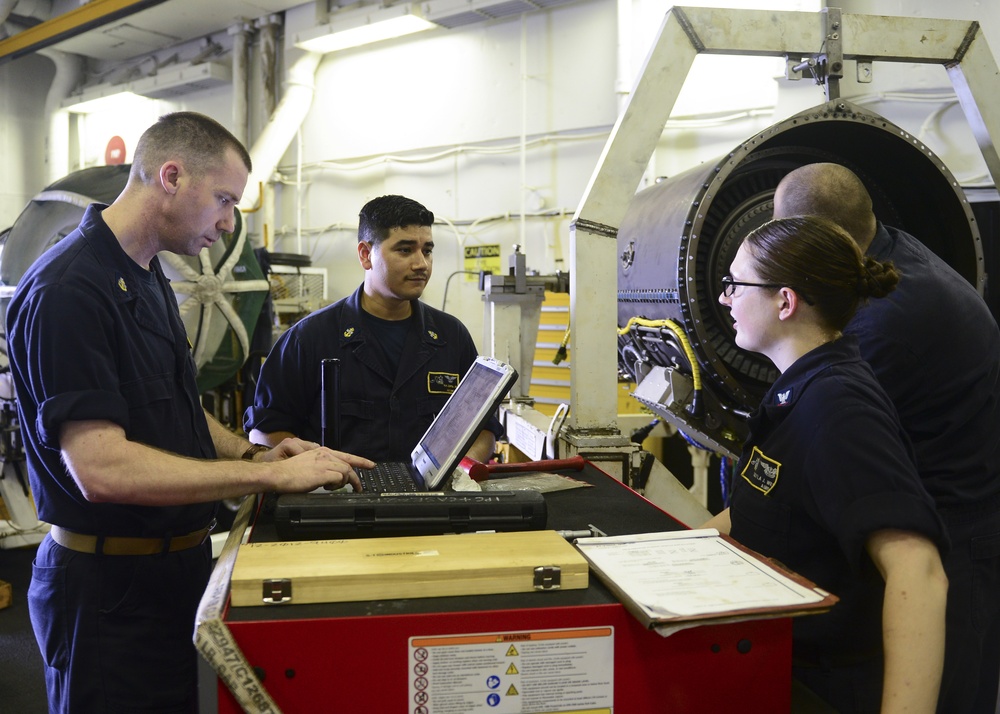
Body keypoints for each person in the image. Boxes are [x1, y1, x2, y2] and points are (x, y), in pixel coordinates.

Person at [5, 112, 373, 713]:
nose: (229, 224)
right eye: (224, 200)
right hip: (107, 594)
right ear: (171, 176)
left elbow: (180, 412)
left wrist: (258, 452)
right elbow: (103, 470)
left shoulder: (147, 276)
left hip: (174, 573)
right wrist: (266, 477)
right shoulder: (69, 290)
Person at [773, 162, 1000, 714]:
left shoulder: (883, 325)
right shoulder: (883, 254)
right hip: (933, 510)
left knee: (944, 692)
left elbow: (828, 439)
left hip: (954, 535)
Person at [705, 215, 948, 713]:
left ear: (785, 301)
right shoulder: (799, 388)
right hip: (779, 667)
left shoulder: (838, 409)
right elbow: (765, 501)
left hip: (827, 690)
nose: (726, 298)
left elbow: (918, 570)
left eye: (736, 284)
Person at [245, 194, 501, 464]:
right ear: (366, 255)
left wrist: (459, 469)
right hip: (335, 500)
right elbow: (265, 430)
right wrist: (315, 466)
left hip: (430, 502)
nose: (421, 264)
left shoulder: (452, 338)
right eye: (405, 250)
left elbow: (483, 428)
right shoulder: (307, 339)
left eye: (427, 250)